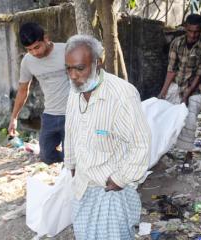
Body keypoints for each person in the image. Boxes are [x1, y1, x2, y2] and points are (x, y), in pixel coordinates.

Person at [63, 34, 151, 240]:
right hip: (83, 183)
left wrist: (120, 179)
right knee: (84, 233)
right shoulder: (74, 90)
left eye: (79, 68)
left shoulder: (122, 95)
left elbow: (141, 143)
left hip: (110, 190)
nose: (73, 75)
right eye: (68, 68)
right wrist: (72, 163)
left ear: (97, 63)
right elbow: (71, 129)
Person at [8, 22, 70, 164]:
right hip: (50, 115)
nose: (35, 53)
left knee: (70, 158)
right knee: (47, 157)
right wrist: (14, 117)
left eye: (37, 47)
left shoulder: (66, 50)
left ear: (46, 38)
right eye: (30, 49)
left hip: (73, 114)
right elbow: (23, 90)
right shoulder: (27, 62)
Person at [158, 14, 201, 171]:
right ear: (185, 29)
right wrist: (163, 92)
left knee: (190, 121)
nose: (192, 35)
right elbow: (171, 69)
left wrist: (186, 96)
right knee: (167, 118)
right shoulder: (177, 43)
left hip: (196, 88)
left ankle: (188, 154)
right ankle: (163, 150)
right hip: (176, 85)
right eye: (189, 31)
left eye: (196, 32)